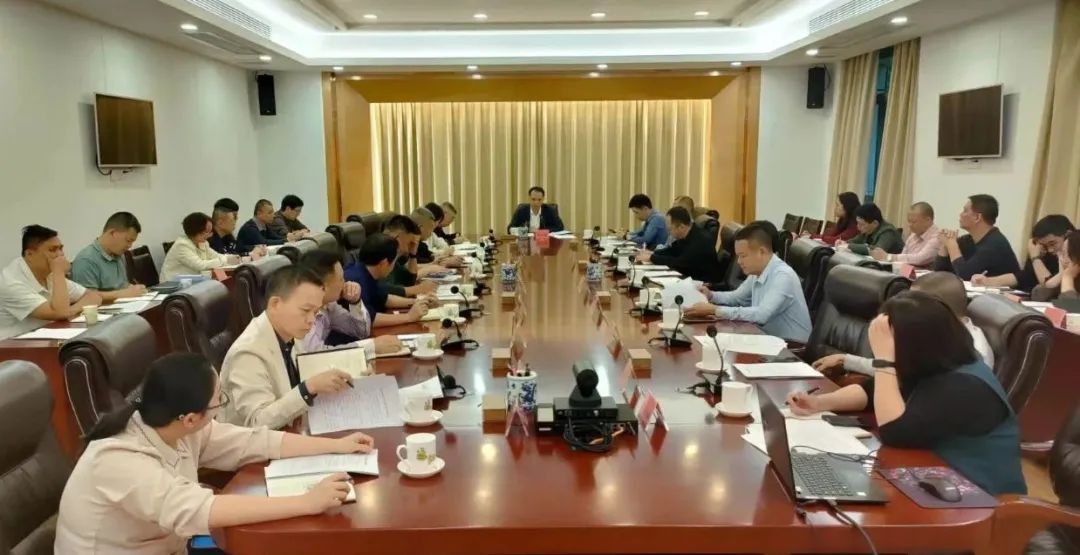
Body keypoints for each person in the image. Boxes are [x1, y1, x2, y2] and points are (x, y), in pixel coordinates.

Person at [55, 352, 371, 554]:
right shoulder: (118, 459)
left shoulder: (177, 425)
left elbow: (255, 442)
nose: (221, 406)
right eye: (219, 400)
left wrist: (336, 446)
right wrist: (306, 502)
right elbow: (200, 510)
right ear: (191, 418)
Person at [788, 291, 1026, 496]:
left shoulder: (965, 386)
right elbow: (871, 390)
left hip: (978, 501)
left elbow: (895, 432)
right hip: (930, 477)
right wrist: (819, 402)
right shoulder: (934, 364)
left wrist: (884, 362)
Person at [221, 265, 356, 429]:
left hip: (291, 429)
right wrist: (309, 388)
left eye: (315, 312)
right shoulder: (248, 352)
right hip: (257, 443)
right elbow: (257, 422)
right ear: (275, 304)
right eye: (306, 310)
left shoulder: (289, 332)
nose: (311, 320)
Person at [814, 271, 994, 375]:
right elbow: (896, 367)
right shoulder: (934, 332)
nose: (909, 309)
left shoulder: (973, 354)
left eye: (915, 303)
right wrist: (846, 360)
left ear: (940, 309)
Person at [685, 221, 812, 342]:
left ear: (761, 252)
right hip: (765, 338)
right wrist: (711, 295)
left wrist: (715, 310)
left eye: (743, 256)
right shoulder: (758, 271)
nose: (739, 261)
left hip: (791, 347)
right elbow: (737, 298)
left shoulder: (783, 276)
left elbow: (761, 315)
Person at [0, 225, 102, 340]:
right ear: (29, 254)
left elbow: (93, 297)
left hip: (43, 339)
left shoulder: (49, 273)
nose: (60, 255)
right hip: (11, 345)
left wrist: (71, 310)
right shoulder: (11, 283)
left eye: (60, 249)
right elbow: (60, 313)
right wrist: (59, 272)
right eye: (52, 250)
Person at [298, 250, 402, 357]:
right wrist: (371, 346)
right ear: (323, 286)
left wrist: (355, 302)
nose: (345, 282)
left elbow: (361, 332)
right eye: (341, 279)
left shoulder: (329, 305)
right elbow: (314, 355)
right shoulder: (301, 313)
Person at [344, 233, 433, 328]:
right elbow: (369, 319)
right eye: (394, 262)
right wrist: (409, 317)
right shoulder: (356, 280)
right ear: (384, 263)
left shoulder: (365, 270)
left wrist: (419, 302)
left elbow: (385, 299)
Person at [972, 214, 1074, 292]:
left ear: (1068, 235)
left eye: (1053, 243)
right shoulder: (1044, 250)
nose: (1050, 250)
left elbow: (1049, 287)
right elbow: (1024, 276)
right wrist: (987, 281)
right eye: (1045, 245)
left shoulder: (1075, 253)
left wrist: (1035, 258)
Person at [934, 194, 1020, 280]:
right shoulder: (967, 239)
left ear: (977, 217)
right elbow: (938, 270)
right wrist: (945, 245)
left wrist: (952, 245)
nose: (960, 214)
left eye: (965, 211)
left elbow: (965, 275)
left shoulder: (995, 243)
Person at [70, 211, 147, 300]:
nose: (130, 246)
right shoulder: (86, 260)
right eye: (128, 240)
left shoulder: (118, 254)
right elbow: (87, 300)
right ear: (113, 233)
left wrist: (133, 289)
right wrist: (123, 294)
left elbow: (121, 287)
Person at [636, 206, 724, 283]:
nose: (669, 233)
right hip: (690, 277)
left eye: (670, 230)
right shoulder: (690, 234)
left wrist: (652, 258)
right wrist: (653, 253)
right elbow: (673, 250)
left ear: (681, 227)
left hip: (703, 285)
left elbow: (679, 263)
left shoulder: (699, 241)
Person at [160, 212, 232, 282]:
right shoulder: (182, 245)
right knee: (216, 277)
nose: (210, 235)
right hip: (174, 284)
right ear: (196, 230)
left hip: (194, 280)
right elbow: (200, 265)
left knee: (223, 281)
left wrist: (233, 258)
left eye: (210, 231)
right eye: (207, 231)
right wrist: (224, 260)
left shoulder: (203, 243)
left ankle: (224, 282)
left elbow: (215, 256)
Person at [382, 214, 439, 298]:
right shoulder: (379, 255)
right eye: (411, 243)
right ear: (398, 239)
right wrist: (418, 289)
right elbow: (382, 290)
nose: (412, 247)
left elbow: (409, 281)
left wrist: (413, 254)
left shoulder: (394, 259)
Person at [870, 202, 941, 268]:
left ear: (928, 220)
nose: (909, 225)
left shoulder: (938, 237)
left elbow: (920, 259)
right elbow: (903, 256)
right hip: (907, 272)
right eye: (909, 221)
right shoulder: (913, 235)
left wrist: (888, 257)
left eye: (913, 222)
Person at [238, 199, 303, 253]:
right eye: (270, 213)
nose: (273, 215)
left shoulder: (264, 225)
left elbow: (275, 237)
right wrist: (287, 240)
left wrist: (290, 237)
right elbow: (264, 243)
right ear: (259, 213)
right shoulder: (250, 227)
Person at [1031, 230, 1080, 302]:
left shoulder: (1070, 277)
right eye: (1062, 254)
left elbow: (1070, 305)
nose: (1062, 259)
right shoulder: (1073, 276)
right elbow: (1037, 295)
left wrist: (1067, 276)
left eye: (1067, 254)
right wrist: (1061, 274)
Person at [838, 202, 904, 255]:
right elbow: (855, 241)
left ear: (875, 223)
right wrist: (843, 243)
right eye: (857, 223)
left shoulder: (888, 232)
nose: (858, 227)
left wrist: (849, 246)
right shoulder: (868, 230)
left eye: (862, 224)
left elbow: (877, 250)